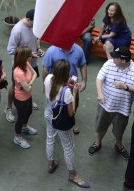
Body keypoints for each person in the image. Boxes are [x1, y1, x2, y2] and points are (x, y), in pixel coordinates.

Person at [88, 46, 134, 159]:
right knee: (101, 126)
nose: (112, 59)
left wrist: (125, 87)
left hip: (123, 108)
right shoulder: (109, 63)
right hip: (105, 105)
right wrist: (100, 93)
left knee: (119, 130)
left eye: (115, 57)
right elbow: (99, 79)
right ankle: (97, 142)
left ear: (123, 60)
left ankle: (119, 145)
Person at [44, 59, 90, 188]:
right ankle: (72, 174)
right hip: (61, 120)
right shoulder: (67, 92)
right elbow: (71, 112)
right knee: (68, 146)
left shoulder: (48, 78)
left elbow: (48, 94)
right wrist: (74, 92)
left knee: (50, 138)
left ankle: (51, 163)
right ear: (66, 73)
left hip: (49, 113)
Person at [42, 42, 88, 134]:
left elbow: (83, 64)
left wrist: (84, 80)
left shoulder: (78, 49)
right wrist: (45, 86)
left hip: (72, 86)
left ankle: (71, 120)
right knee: (54, 105)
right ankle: (55, 120)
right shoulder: (51, 50)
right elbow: (45, 69)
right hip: (56, 87)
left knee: (73, 104)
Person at [6, 9, 42, 122]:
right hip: (19, 65)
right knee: (15, 85)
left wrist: (38, 49)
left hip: (31, 62)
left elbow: (36, 39)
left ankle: (27, 100)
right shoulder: (17, 30)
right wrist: (29, 53)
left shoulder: (34, 26)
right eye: (34, 23)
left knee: (28, 81)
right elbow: (10, 49)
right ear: (28, 19)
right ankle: (8, 108)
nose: (35, 26)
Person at [12, 46, 38, 149]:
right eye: (29, 55)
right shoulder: (18, 72)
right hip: (20, 98)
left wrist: (29, 83)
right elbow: (26, 88)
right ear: (24, 57)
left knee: (29, 111)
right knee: (21, 117)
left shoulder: (26, 64)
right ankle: (17, 137)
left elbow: (35, 73)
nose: (31, 56)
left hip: (28, 95)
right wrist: (29, 85)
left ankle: (24, 127)